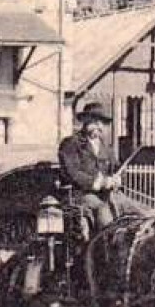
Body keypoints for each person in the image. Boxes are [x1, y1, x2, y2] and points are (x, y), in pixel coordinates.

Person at [58, 98, 121, 239]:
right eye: (94, 121)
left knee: (135, 210)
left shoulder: (107, 148)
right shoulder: (71, 144)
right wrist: (98, 182)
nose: (98, 126)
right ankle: (106, 249)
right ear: (85, 121)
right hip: (80, 195)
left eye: (102, 122)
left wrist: (116, 179)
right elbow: (73, 173)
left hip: (107, 195)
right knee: (103, 211)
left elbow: (115, 168)